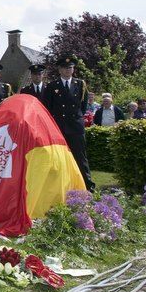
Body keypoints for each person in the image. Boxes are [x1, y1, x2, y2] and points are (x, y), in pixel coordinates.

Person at [43, 56, 95, 191]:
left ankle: (87, 185)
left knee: (80, 156)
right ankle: (59, 187)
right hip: (59, 127)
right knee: (58, 158)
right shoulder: (52, 86)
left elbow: (83, 107)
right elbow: (47, 107)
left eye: (71, 68)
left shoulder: (80, 84)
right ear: (60, 70)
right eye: (65, 68)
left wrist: (76, 119)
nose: (68, 70)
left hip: (76, 127)